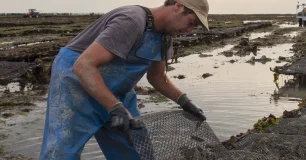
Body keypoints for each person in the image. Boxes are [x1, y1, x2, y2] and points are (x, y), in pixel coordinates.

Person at [38, 0, 209, 159]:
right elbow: (83, 66)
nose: (190, 31)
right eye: (191, 23)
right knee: (63, 150)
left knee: (136, 147)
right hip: (75, 84)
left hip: (117, 91)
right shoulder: (131, 20)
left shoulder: (165, 37)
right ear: (178, 6)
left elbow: (157, 77)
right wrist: (114, 108)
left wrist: (184, 101)